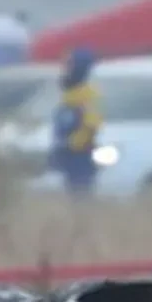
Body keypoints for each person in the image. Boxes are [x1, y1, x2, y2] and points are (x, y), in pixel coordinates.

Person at [49, 48, 102, 198]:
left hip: (80, 155)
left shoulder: (88, 95)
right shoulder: (68, 94)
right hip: (66, 153)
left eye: (69, 65)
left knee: (81, 195)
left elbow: (91, 125)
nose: (65, 69)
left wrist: (73, 145)